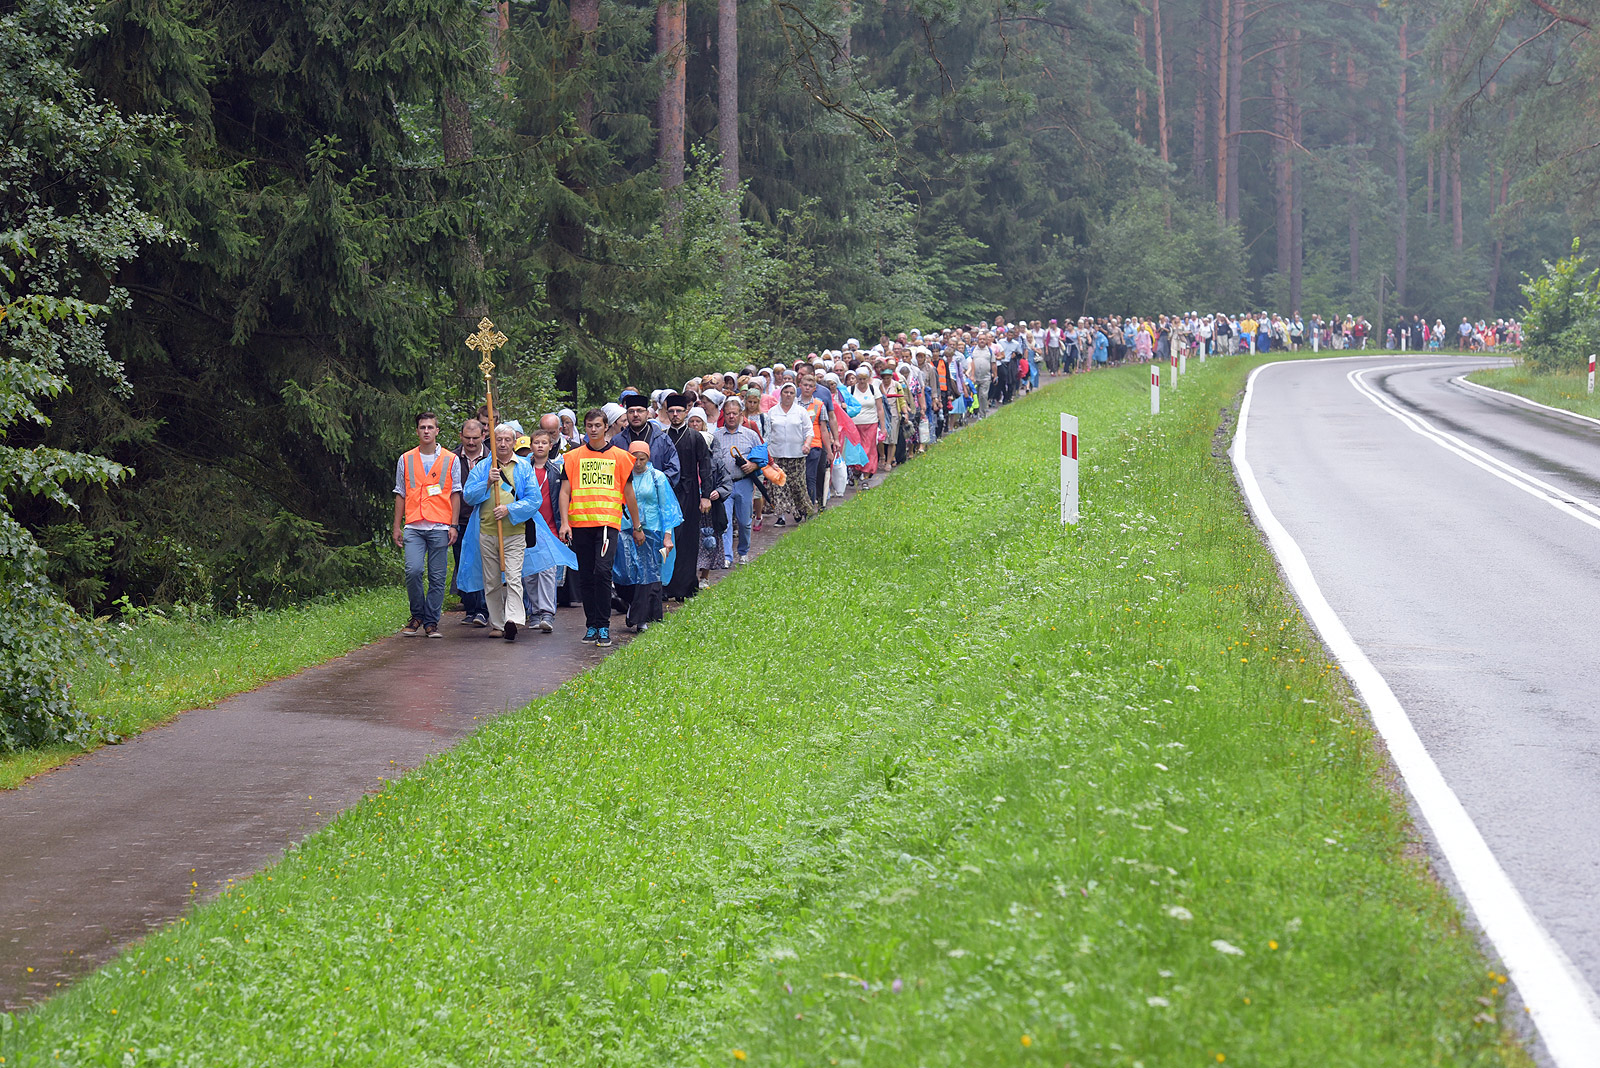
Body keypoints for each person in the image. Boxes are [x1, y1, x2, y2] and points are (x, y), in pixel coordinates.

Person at [560, 408, 642, 649]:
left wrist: (637, 526)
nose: (593, 429)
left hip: (607, 523)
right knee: (586, 575)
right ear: (584, 427)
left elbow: (629, 493)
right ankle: (591, 624)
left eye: (598, 425)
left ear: (606, 427)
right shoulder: (573, 457)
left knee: (603, 572)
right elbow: (565, 492)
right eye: (589, 425)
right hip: (580, 523)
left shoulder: (620, 456)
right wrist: (565, 522)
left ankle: (604, 625)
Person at [460, 424, 541, 641]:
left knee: (514, 577)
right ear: (492, 442)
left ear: (514, 442)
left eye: (507, 440)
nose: (503, 444)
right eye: (499, 440)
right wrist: (487, 482)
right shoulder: (483, 467)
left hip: (515, 533)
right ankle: (496, 623)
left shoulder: (524, 467)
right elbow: (468, 496)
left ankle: (512, 620)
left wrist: (509, 509)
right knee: (492, 580)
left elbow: (535, 500)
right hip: (487, 532)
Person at [393, 411, 461, 638]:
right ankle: (417, 615)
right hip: (414, 525)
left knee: (437, 577)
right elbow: (400, 493)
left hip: (440, 525)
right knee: (413, 571)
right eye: (422, 427)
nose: (426, 431)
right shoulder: (406, 459)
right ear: (417, 431)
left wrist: (454, 525)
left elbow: (455, 493)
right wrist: (396, 526)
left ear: (437, 431)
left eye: (430, 427)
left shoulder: (451, 459)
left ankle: (431, 622)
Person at [614, 440, 681, 632]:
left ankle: (641, 617)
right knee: (627, 572)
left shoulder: (657, 477)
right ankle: (636, 609)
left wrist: (667, 536)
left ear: (648, 458)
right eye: (634, 459)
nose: (637, 463)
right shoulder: (623, 477)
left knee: (649, 573)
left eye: (642, 459)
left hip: (652, 529)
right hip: (626, 529)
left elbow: (667, 507)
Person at [661, 392, 715, 601]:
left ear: (686, 412)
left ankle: (686, 586)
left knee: (689, 539)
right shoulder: (663, 437)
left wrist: (706, 496)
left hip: (691, 491)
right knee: (670, 537)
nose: (675, 415)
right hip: (668, 492)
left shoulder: (695, 437)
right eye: (672, 411)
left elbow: (706, 467)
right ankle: (668, 586)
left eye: (679, 411)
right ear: (667, 413)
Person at [450, 419, 490, 627]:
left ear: (483, 436)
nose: (472, 442)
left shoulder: (492, 458)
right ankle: (471, 607)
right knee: (463, 564)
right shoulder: (452, 459)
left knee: (484, 564)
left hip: (485, 519)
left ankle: (483, 609)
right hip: (461, 520)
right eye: (468, 438)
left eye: (476, 438)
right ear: (461, 436)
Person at [714, 396, 762, 564]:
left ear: (741, 414)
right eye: (728, 414)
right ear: (724, 415)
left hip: (744, 482)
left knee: (744, 521)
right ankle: (727, 556)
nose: (731, 417)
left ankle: (743, 551)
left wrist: (753, 466)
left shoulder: (751, 435)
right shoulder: (716, 436)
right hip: (724, 484)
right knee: (725, 522)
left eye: (734, 413)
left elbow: (762, 458)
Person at [766, 381, 818, 523]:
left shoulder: (800, 411)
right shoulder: (772, 412)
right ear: (781, 393)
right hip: (777, 455)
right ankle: (781, 516)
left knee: (797, 486)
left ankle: (804, 510)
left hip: (796, 455)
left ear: (795, 395)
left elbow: (809, 431)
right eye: (785, 392)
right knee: (779, 486)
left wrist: (807, 444)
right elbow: (767, 434)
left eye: (791, 393)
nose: (788, 395)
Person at [611, 393, 680, 488]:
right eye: (631, 411)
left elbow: (673, 469)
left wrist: (656, 485)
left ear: (647, 413)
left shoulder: (662, 439)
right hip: (625, 495)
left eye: (639, 411)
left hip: (655, 495)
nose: (635, 415)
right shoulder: (617, 441)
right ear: (626, 414)